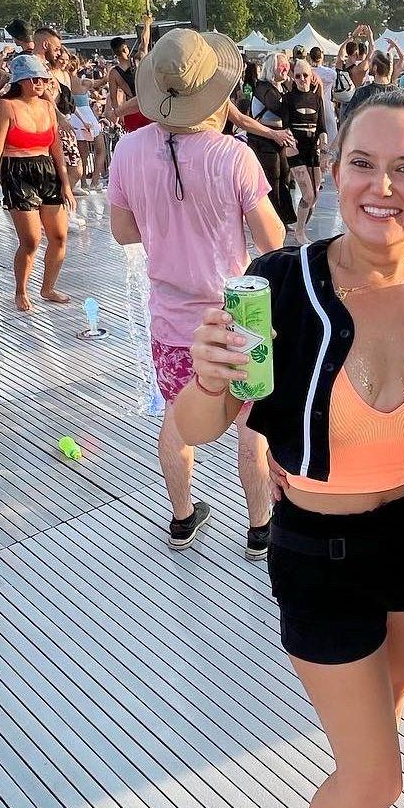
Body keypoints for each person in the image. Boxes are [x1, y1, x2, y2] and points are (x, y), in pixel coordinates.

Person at [176, 87, 404, 808]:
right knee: (379, 772)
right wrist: (208, 374)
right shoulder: (279, 285)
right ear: (334, 169)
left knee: (383, 723)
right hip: (319, 552)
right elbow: (194, 426)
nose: (383, 186)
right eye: (363, 163)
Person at [109, 29, 285, 551]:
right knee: (252, 426)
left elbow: (122, 231)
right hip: (237, 319)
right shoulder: (233, 156)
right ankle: (259, 528)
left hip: (171, 320)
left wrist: (166, 225)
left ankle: (183, 518)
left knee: (176, 417)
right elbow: (272, 240)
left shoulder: (129, 149)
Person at [0, 54, 74, 311]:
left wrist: (66, 184)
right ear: (20, 81)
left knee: (59, 236)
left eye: (42, 79)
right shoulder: (5, 106)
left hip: (46, 169)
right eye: (33, 79)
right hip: (17, 170)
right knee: (31, 240)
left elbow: (56, 149)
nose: (39, 83)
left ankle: (48, 287)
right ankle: (21, 289)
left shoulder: (47, 107)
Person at [248, 55, 297, 231]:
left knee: (284, 178)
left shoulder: (281, 87)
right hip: (263, 140)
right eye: (281, 66)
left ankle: (283, 219)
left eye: (287, 66)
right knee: (272, 180)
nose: (286, 69)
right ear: (271, 68)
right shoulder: (263, 88)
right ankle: (272, 221)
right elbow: (279, 109)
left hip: (279, 139)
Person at [283, 54, 327, 243]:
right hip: (295, 149)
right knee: (308, 194)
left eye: (305, 75)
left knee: (314, 194)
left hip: (312, 150)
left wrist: (324, 151)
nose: (302, 79)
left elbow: (322, 127)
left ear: (311, 76)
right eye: (298, 76)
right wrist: (290, 145)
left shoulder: (316, 98)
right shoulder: (289, 98)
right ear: (293, 77)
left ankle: (301, 226)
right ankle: (299, 231)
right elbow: (285, 126)